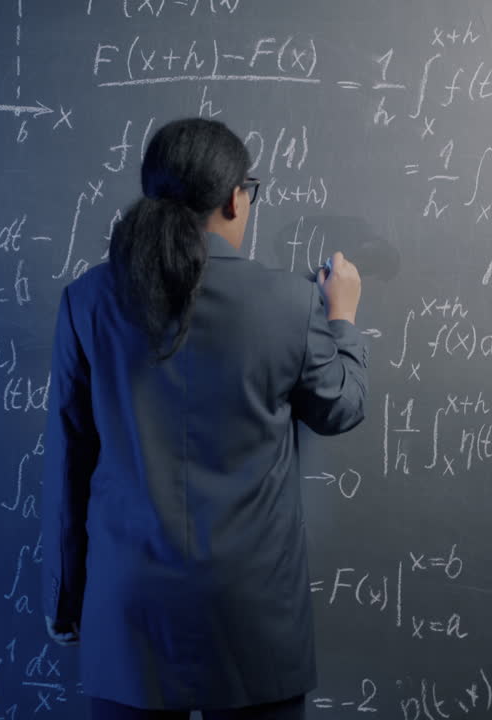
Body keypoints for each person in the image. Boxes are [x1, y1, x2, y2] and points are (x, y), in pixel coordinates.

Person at [40, 116, 369, 720]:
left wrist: (66, 598)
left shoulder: (87, 301)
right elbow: (340, 406)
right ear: (235, 198)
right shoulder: (292, 302)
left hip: (129, 606)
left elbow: (70, 460)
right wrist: (342, 318)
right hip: (253, 611)